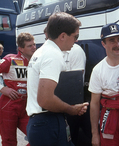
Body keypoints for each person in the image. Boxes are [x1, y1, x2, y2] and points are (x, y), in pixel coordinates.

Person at [26, 12, 89, 146]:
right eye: (75, 36)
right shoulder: (53, 55)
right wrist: (71, 109)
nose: (76, 40)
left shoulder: (41, 51)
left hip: (42, 122)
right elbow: (45, 99)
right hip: (48, 123)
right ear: (63, 36)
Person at [0, 32, 36, 146]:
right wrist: (2, 89)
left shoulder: (37, 61)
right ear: (21, 48)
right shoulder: (10, 59)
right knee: (9, 142)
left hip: (27, 107)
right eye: (29, 46)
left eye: (34, 44)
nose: (34, 47)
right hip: (8, 106)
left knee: (38, 138)